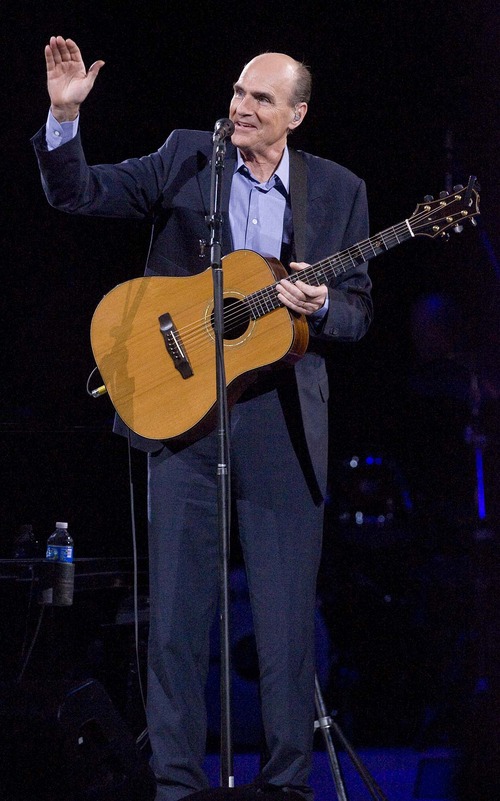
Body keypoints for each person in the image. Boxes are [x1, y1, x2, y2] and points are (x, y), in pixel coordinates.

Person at [32, 36, 373, 800]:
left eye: (260, 99)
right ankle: (175, 784)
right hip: (185, 415)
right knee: (179, 617)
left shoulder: (339, 191)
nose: (241, 107)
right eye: (238, 91)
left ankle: (286, 784)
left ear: (297, 114)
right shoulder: (191, 156)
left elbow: (359, 313)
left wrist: (321, 305)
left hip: (281, 422)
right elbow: (79, 194)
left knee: (284, 627)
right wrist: (62, 120)